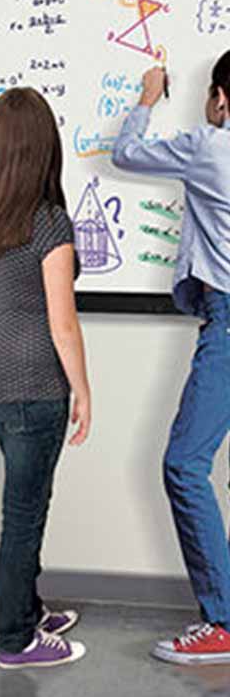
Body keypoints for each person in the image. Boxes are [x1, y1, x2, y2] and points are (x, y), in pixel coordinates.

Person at [0, 88, 91, 669]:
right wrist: (83, 391)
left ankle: (28, 608)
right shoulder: (48, 223)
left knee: (26, 499)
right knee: (24, 512)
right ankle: (16, 638)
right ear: (46, 148)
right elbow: (62, 324)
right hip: (33, 384)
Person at [112, 54, 230, 664]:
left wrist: (148, 97)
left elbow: (126, 153)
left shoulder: (209, 147)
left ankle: (223, 623)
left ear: (220, 99)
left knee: (184, 464)